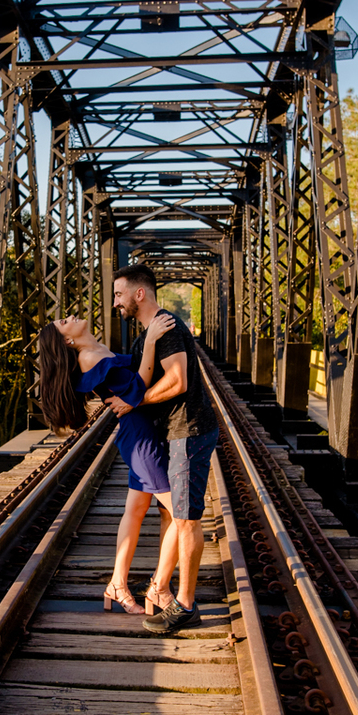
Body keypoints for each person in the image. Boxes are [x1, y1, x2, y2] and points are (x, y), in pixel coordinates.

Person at [38, 311, 177, 614]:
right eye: (64, 322)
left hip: (145, 432)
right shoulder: (88, 358)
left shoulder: (99, 349)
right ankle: (159, 589)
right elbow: (138, 388)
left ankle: (117, 584)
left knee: (136, 510)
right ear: (68, 340)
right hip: (141, 439)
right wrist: (151, 339)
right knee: (181, 513)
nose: (70, 316)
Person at [106, 263, 219, 633]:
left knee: (186, 518)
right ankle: (161, 588)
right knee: (172, 514)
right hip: (174, 433)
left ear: (140, 293)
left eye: (119, 294)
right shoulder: (146, 337)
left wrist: (134, 404)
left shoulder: (166, 326)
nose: (115, 303)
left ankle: (185, 604)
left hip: (188, 430)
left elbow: (178, 381)